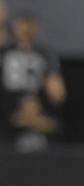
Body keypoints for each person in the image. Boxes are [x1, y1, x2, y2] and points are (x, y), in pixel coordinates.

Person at [0, 10, 67, 151]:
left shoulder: (44, 53)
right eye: (21, 24)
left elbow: (56, 90)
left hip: (37, 103)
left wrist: (53, 87)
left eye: (29, 24)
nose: (25, 29)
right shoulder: (4, 52)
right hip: (8, 107)